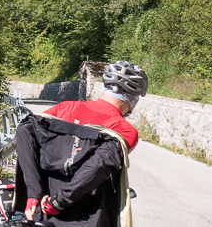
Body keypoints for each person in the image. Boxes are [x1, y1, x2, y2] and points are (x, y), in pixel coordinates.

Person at [14, 61, 148, 227]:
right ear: (132, 98)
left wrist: (34, 192)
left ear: (105, 87)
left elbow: (27, 129)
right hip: (87, 215)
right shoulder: (125, 130)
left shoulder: (64, 108)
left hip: (40, 210)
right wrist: (59, 201)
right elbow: (97, 166)